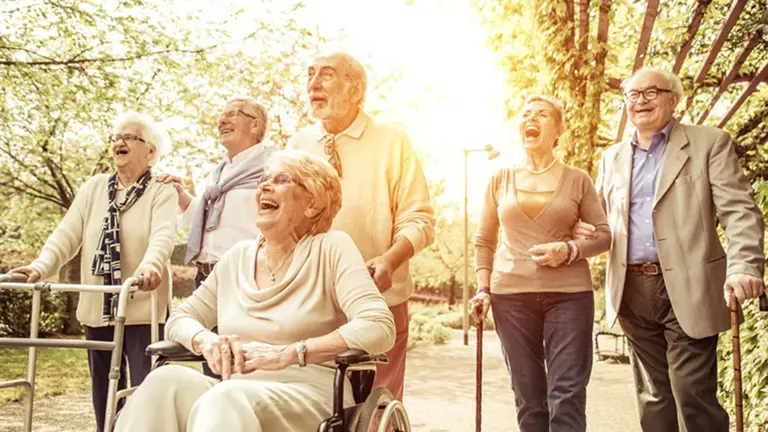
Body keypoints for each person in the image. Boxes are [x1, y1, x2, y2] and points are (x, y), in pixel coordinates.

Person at [114, 151, 395, 432]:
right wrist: (206, 341)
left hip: (310, 396)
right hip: (234, 395)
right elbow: (180, 319)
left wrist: (289, 354)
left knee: (225, 398)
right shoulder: (237, 257)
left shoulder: (331, 248)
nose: (264, 187)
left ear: (312, 203)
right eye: (263, 179)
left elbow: (378, 325)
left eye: (281, 179)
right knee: (164, 382)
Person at [574, 67, 765, 431]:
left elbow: (740, 211)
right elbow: (598, 219)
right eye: (632, 95)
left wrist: (745, 265)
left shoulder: (709, 142)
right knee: (653, 399)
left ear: (674, 100)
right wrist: (582, 229)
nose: (640, 101)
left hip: (690, 284)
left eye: (651, 93)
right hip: (631, 289)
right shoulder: (611, 157)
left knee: (691, 392)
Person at [11, 111, 176, 432]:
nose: (119, 142)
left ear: (151, 151)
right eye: (116, 137)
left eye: (129, 137)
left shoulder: (162, 190)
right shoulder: (95, 187)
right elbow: (67, 235)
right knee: (103, 385)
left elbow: (163, 236)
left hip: (141, 303)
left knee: (144, 385)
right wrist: (39, 268)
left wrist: (150, 268)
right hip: (98, 303)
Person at [287, 51, 435, 401]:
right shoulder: (298, 145)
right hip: (310, 296)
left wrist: (390, 260)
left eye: (326, 74)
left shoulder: (392, 141)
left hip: (376, 296)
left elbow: (420, 219)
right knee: (310, 401)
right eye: (310, 74)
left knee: (375, 403)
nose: (313, 83)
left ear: (356, 90)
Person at [468, 95, 611, 432]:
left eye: (543, 114)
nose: (531, 118)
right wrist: (483, 288)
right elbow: (484, 240)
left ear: (557, 130)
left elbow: (604, 236)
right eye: (526, 114)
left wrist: (569, 249)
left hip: (569, 295)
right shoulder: (499, 179)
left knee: (567, 393)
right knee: (529, 396)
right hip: (510, 296)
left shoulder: (577, 180)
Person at [157, 97, 277, 378]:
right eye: (221, 115)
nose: (222, 120)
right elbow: (209, 218)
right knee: (214, 362)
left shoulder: (272, 165)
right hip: (208, 278)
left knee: (244, 367)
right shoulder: (220, 172)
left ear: (255, 124)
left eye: (233, 114)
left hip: (246, 279)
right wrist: (181, 194)